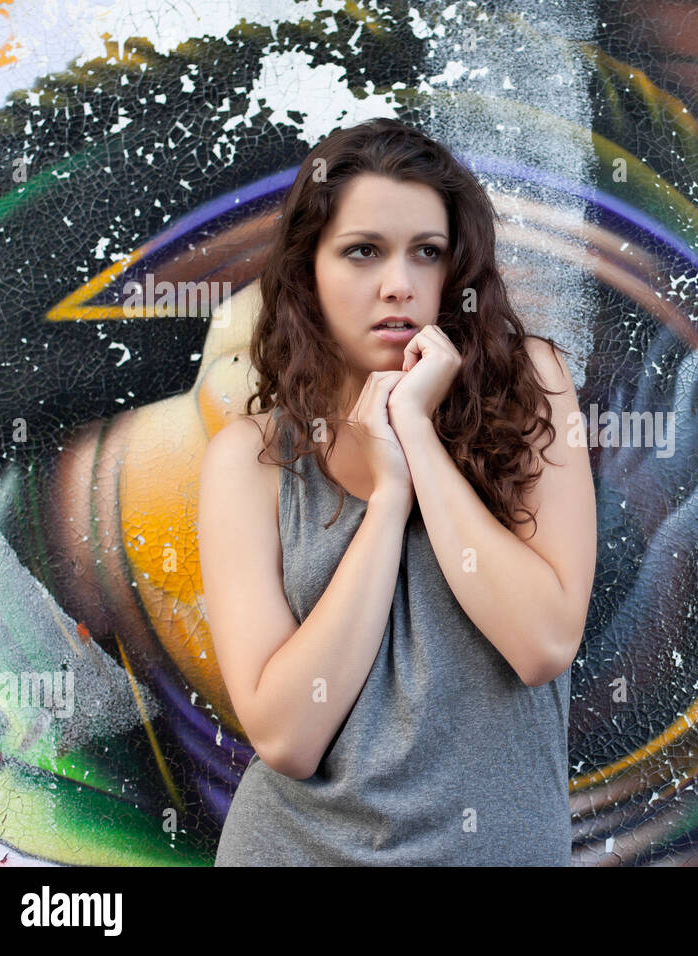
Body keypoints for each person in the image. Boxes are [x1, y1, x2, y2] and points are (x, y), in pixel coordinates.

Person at [197, 117, 596, 865]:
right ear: (307, 271)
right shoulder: (249, 463)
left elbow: (542, 643)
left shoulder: (532, 389)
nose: (399, 285)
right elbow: (287, 735)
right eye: (362, 252)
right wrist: (386, 503)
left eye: (428, 253)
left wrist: (416, 435)